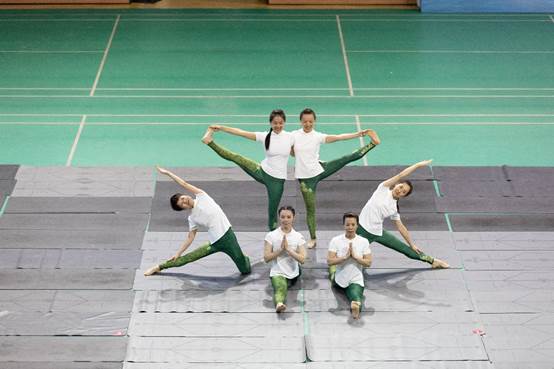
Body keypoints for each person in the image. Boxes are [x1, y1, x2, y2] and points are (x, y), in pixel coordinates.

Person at [292, 108, 381, 248]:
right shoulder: (293, 135)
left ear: (314, 121)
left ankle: (373, 143)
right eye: (305, 121)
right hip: (305, 180)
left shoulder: (317, 136)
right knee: (310, 209)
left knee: (345, 158)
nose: (308, 124)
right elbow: (284, 149)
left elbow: (339, 137)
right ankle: (313, 239)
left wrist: (358, 134)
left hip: (320, 169)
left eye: (310, 121)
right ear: (300, 121)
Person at [144, 166, 251, 276]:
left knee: (245, 270)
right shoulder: (192, 218)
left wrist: (168, 173)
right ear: (183, 209)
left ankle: (243, 257)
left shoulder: (202, 196)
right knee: (187, 258)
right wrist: (178, 253)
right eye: (182, 204)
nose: (184, 201)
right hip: (214, 243)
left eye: (182, 198)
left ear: (184, 195)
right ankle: (159, 267)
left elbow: (184, 184)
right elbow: (190, 237)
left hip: (228, 238)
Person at [201, 109, 294, 231]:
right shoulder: (265, 136)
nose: (278, 126)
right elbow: (242, 133)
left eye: (280, 123)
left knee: (272, 211)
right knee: (237, 158)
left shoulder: (291, 137)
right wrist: (222, 127)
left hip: (277, 181)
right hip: (262, 171)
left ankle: (272, 237)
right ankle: (209, 141)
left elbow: (298, 153)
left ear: (284, 123)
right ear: (271, 123)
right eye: (275, 123)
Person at [357, 159, 449, 269]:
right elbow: (401, 174)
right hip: (360, 228)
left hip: (377, 233)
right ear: (397, 184)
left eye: (403, 192)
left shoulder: (394, 208)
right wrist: (417, 165)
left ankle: (433, 261)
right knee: (348, 251)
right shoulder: (383, 188)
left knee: (408, 251)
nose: (400, 191)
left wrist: (412, 244)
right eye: (401, 187)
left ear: (403, 196)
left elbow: (401, 227)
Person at [327, 212, 372, 320]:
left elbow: (368, 263)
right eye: (348, 225)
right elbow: (329, 261)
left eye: (353, 224)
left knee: (355, 294)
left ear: (357, 225)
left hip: (355, 278)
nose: (350, 227)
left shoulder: (363, 241)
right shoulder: (335, 240)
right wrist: (344, 258)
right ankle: (333, 275)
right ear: (344, 225)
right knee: (332, 272)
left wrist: (356, 257)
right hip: (339, 279)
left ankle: (355, 306)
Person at [263, 206, 306, 313]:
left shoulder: (298, 237)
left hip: (293, 273)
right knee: (280, 287)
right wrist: (281, 251)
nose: (285, 219)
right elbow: (266, 258)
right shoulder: (271, 236)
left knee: (290, 280)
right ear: (279, 218)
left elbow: (302, 259)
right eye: (283, 217)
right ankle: (279, 304)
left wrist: (288, 250)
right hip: (277, 271)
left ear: (293, 218)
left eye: (288, 217)